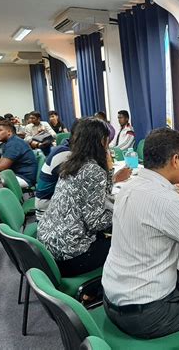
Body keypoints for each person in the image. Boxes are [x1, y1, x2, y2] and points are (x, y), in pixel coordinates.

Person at [101, 127, 179, 339]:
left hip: (112, 299)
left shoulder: (129, 187)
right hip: (146, 314)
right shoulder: (166, 200)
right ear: (175, 160)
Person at [37, 118, 116, 277]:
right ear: (102, 141)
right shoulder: (92, 170)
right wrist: (123, 212)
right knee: (126, 244)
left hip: (48, 246)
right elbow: (96, 223)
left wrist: (108, 170)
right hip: (70, 255)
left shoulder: (71, 163)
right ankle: (98, 290)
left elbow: (103, 194)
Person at [35, 119, 132, 220]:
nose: (107, 148)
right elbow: (93, 215)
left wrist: (112, 176)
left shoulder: (74, 155)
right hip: (48, 211)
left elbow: (95, 191)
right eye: (107, 142)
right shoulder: (67, 156)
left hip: (59, 214)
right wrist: (121, 212)